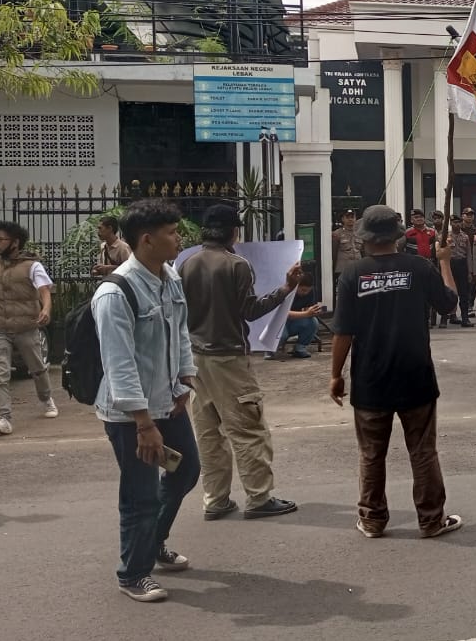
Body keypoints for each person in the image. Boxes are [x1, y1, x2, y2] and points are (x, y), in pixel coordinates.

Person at [329, 205, 463, 539]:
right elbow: (450, 303)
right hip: (415, 375)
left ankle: (372, 519)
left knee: (371, 453)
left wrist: (336, 374)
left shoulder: (352, 274)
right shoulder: (419, 267)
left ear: (364, 238)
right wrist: (444, 261)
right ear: (398, 235)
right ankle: (431, 520)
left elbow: (342, 331)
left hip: (370, 378)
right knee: (423, 451)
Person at [93, 199, 201, 603]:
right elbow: (119, 364)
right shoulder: (115, 293)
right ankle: (133, 573)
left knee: (186, 469)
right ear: (146, 239)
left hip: (168, 401)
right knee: (139, 493)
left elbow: (181, 333)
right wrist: (143, 423)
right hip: (130, 414)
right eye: (172, 233)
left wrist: (184, 382)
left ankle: (152, 541)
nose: (179, 239)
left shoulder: (169, 276)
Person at [181, 205, 301, 520]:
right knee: (248, 428)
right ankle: (259, 498)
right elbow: (250, 310)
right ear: (235, 232)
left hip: (195, 358)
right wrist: (285, 289)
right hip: (228, 357)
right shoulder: (237, 265)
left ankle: (215, 500)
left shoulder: (187, 264)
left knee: (209, 432)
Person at [0, 220, 56, 435]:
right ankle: (3, 418)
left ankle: (46, 399)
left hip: (26, 326)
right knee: (0, 373)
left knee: (37, 368)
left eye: (1, 239)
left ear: (15, 242)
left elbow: (44, 291)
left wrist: (46, 309)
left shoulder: (32, 266)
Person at [266, 272, 321, 360]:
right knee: (283, 335)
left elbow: (308, 309)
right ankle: (270, 349)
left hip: (295, 320)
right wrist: (306, 313)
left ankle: (300, 348)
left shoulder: (310, 292)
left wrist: (313, 311)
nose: (305, 293)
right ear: (296, 286)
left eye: (308, 290)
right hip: (279, 321)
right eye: (303, 290)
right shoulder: (287, 291)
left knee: (313, 322)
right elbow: (283, 313)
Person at [449, 208, 476, 327]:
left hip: (462, 265)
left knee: (464, 293)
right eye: (454, 222)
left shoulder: (465, 237)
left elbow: (469, 254)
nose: (457, 224)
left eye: (459, 222)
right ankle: (451, 316)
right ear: (450, 223)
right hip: (450, 265)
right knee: (450, 292)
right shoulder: (445, 236)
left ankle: (465, 318)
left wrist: (470, 271)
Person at [331, 209, 362, 288]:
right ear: (343, 219)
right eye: (347, 217)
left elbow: (363, 251)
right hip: (343, 269)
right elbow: (333, 253)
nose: (350, 219)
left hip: (358, 268)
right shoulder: (337, 234)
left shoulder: (360, 233)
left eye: (352, 217)